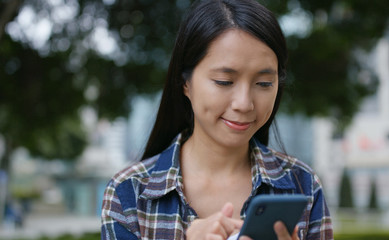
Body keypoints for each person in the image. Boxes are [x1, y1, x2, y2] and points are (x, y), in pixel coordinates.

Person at [101, 0, 333, 239]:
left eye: (264, 83)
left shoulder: (304, 185)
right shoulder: (129, 194)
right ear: (185, 83)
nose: (244, 104)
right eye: (224, 81)